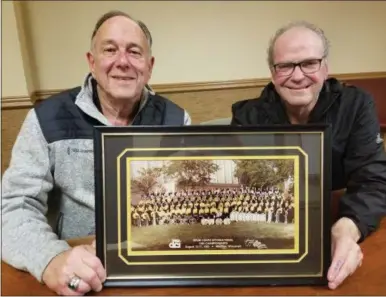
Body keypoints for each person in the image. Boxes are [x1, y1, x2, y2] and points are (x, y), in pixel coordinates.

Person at [1, 10, 191, 296]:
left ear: (149, 67)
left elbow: (189, 205)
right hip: (78, 273)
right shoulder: (46, 119)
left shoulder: (178, 121)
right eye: (110, 49)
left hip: (156, 269)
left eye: (134, 52)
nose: (122, 61)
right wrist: (50, 258)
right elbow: (13, 207)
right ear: (92, 61)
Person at [231, 21, 386, 290]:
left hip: (343, 225)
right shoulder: (247, 116)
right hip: (275, 244)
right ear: (272, 72)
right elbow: (242, 190)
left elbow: (373, 180)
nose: (298, 75)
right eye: (286, 66)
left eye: (309, 63)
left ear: (325, 68)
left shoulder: (356, 105)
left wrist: (347, 228)